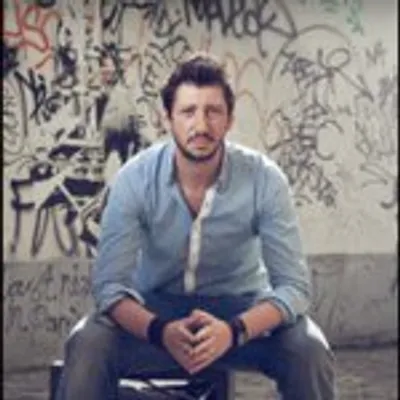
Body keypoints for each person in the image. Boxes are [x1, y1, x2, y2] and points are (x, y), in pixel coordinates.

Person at [57, 52, 336, 400]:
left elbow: (294, 288)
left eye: (213, 111)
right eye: (188, 111)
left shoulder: (265, 179)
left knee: (308, 347)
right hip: (156, 314)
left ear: (229, 119)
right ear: (167, 119)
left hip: (240, 314)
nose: (201, 126)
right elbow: (109, 287)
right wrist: (161, 331)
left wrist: (234, 331)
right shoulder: (134, 179)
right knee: (87, 342)